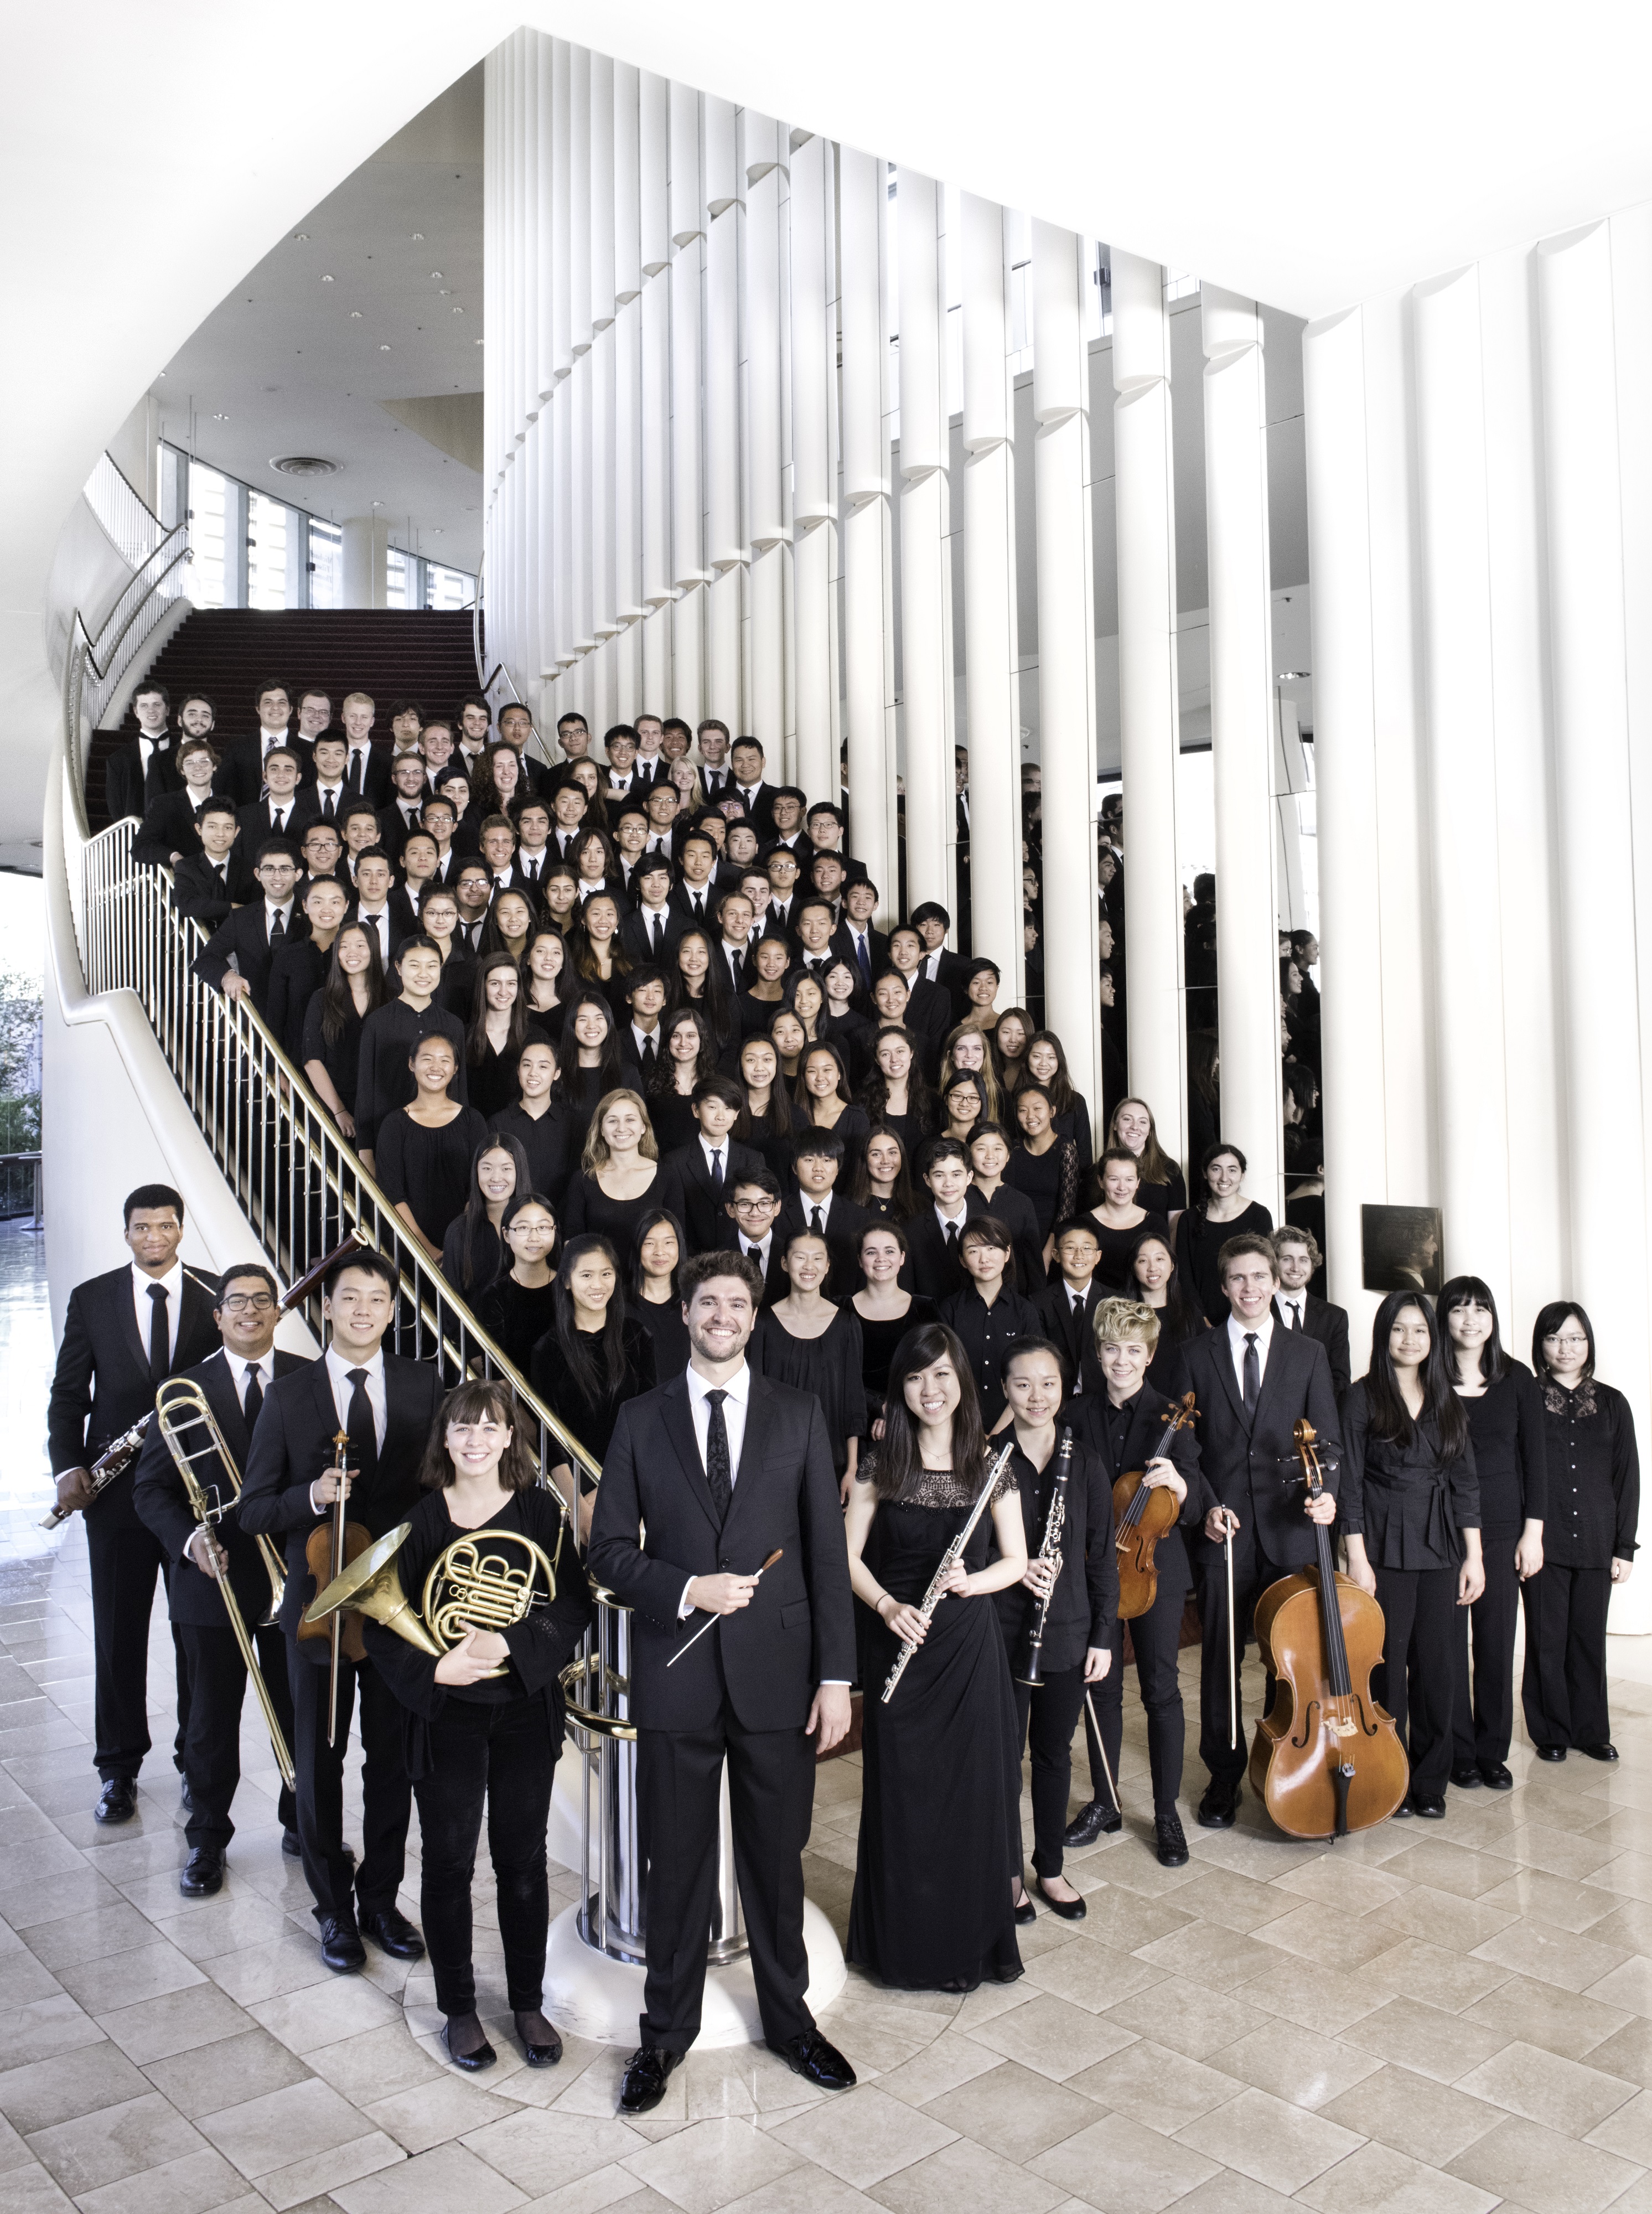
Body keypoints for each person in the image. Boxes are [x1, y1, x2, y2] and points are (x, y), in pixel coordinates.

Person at [588, 1249, 857, 2109]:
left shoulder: (801, 1415)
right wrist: (686, 1588)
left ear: (753, 1317)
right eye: (708, 1302)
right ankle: (662, 2036)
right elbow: (608, 1555)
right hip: (674, 1675)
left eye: (737, 1304)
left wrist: (836, 1679)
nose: (722, 1316)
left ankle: (792, 2023)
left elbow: (823, 1555)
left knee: (776, 1865)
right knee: (676, 1866)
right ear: (687, 1314)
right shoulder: (639, 1418)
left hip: (778, 1675)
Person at [360, 1380, 591, 2070]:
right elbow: (379, 1626)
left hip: (523, 1709)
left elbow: (571, 1603)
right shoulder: (420, 1522)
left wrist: (512, 1646)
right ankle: (459, 2009)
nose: (476, 1441)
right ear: (445, 1439)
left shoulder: (541, 1515)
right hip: (449, 1716)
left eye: (490, 1428)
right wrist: (436, 1670)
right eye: (462, 1428)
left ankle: (526, 2002)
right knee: (450, 1861)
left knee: (522, 1860)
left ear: (510, 1439)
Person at [239, 1250, 443, 1971]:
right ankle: (333, 1910)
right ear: (327, 1307)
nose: (362, 1309)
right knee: (319, 1765)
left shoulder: (424, 1386)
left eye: (376, 1299)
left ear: (393, 1310)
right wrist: (313, 1498)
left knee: (392, 1763)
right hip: (320, 1616)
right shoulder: (290, 1397)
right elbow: (253, 1510)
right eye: (348, 1297)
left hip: (394, 1612)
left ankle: (381, 1901)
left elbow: (443, 1497)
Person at [846, 1322, 1027, 1989]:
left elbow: (1016, 1560)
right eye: (918, 1376)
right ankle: (903, 1947)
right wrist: (887, 1606)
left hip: (967, 1648)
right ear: (902, 1386)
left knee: (968, 1798)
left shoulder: (991, 1464)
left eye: (943, 1374)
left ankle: (967, 1947)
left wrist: (969, 1582)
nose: (931, 1389)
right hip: (901, 1641)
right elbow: (846, 1557)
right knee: (904, 1797)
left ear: (961, 1383)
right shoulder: (881, 1462)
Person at [46, 1186, 222, 1823]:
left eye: (165, 1226)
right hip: (115, 1497)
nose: (154, 1237)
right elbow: (68, 1394)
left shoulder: (216, 1293)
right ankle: (117, 1768)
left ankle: (194, 1762)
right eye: (142, 1228)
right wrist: (68, 1465)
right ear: (126, 1233)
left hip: (194, 1497)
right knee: (118, 1634)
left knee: (195, 1637)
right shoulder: (92, 1298)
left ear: (182, 1230)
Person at [131, 1264, 305, 1892]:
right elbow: (150, 1491)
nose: (251, 1311)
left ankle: (302, 1821)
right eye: (238, 1302)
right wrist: (190, 1538)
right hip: (213, 1583)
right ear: (218, 1315)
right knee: (209, 1719)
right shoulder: (183, 1389)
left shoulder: (306, 1382)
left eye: (263, 1300)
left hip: (294, 1580)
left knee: (301, 1711)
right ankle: (206, 1838)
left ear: (278, 1312)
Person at [1183, 1232, 1342, 1828]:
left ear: (1277, 1280)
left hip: (1290, 1530)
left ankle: (1293, 1763)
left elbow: (1327, 1445)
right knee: (1222, 1659)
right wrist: (1205, 1507)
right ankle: (1223, 1778)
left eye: (1260, 1277)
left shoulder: (1307, 1354)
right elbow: (1186, 1448)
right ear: (1224, 1286)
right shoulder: (1195, 1353)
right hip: (1227, 1532)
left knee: (1294, 1660)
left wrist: (1324, 1495)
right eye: (1238, 1279)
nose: (1250, 1289)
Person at [1067, 1302, 1210, 1864]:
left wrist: (1183, 1483)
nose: (1121, 1360)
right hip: (1091, 1566)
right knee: (1099, 1683)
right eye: (1111, 1348)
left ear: (1149, 1356)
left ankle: (1167, 1811)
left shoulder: (1172, 1417)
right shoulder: (1074, 1415)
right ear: (1098, 1353)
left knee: (1160, 1688)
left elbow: (1196, 1497)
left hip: (1155, 1568)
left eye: (1134, 1350)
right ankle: (1105, 1800)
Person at [1339, 1291, 1485, 1818]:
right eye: (1399, 1329)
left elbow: (1466, 1482)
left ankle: (1430, 1781)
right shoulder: (1361, 1397)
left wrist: (1475, 1557)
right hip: (1382, 1544)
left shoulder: (1447, 1397)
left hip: (1442, 1543)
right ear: (1384, 1335)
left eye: (1420, 1330)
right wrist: (1356, 1556)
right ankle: (1390, 1773)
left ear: (1432, 1337)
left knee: (1439, 1666)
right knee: (1387, 1664)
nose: (1410, 1339)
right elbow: (1348, 1483)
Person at [993, 1336, 1118, 1900]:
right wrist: (1014, 1568)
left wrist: (1103, 1635)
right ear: (1004, 1390)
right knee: (1001, 1758)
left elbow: (1102, 1556)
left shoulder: (1085, 1460)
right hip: (1000, 1628)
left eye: (1047, 1383)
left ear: (1063, 1389)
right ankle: (1008, 1874)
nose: (1036, 1395)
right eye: (1023, 1384)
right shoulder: (986, 1457)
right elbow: (971, 1553)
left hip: (1067, 1630)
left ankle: (1049, 1866)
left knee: (1052, 1754)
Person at [1438, 1276, 1546, 1791]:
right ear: (1445, 1318)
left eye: (1480, 1309)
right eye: (1459, 1309)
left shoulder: (1517, 1379)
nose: (1469, 1319)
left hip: (1504, 1529)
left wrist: (1534, 1533)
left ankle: (1491, 1750)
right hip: (1441, 1528)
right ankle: (1459, 1751)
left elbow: (1536, 1462)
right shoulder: (1428, 1378)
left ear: (1492, 1318)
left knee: (1497, 1643)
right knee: (1449, 1646)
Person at [1521, 1301, 1639, 1763]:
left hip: (1595, 1539)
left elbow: (1626, 1477)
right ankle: (1551, 1731)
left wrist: (1623, 1547)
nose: (1564, 1348)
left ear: (1587, 1343)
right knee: (1545, 1639)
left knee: (1588, 1639)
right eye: (1553, 1338)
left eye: (1573, 1338)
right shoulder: (1525, 1398)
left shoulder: (1612, 1403)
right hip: (1541, 1543)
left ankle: (1591, 1730)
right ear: (1540, 1345)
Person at [529, 1234, 657, 1496]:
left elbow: (649, 1419)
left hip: (632, 1482)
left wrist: (617, 1488)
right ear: (567, 1281)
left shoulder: (637, 1336)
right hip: (574, 1491)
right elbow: (550, 1438)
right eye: (586, 1276)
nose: (598, 1285)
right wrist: (579, 1506)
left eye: (606, 1274)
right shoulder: (547, 1349)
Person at [754, 1231, 867, 1499]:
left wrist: (852, 1469)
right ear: (784, 1263)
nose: (809, 1266)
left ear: (827, 1266)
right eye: (800, 1258)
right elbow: (754, 1397)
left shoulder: (846, 1324)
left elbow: (853, 1400)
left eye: (818, 1258)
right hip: (774, 1460)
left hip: (833, 1460)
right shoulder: (762, 1324)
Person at [353, 936, 467, 1173]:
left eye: (432, 966)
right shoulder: (378, 1022)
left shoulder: (453, 1024)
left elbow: (460, 1089)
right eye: (414, 965)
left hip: (444, 1139)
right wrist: (365, 1152)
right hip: (389, 1140)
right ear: (398, 968)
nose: (423, 974)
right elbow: (365, 1090)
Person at [375, 1034, 490, 1262]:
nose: (436, 1067)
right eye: (427, 1059)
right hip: (409, 1243)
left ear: (456, 1068)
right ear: (412, 1064)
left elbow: (479, 1186)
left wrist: (461, 1243)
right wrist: (428, 1250)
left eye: (445, 1060)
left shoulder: (472, 1120)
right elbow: (392, 1195)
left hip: (466, 1243)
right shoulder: (394, 1124)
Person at [938, 1218, 1041, 1429]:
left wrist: (995, 1435)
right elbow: (941, 1374)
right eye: (974, 1251)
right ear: (963, 1260)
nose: (984, 1258)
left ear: (1007, 1253)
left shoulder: (1025, 1312)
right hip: (957, 1425)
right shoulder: (950, 1309)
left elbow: (1031, 1379)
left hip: (1015, 1426)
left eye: (992, 1248)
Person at [191, 840, 307, 1017]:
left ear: (298, 874)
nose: (277, 877)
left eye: (285, 869)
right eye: (269, 869)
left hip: (302, 1019)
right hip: (256, 1021)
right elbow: (205, 960)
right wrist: (228, 976)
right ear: (258, 874)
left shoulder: (311, 915)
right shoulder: (241, 918)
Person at [658, 1075, 760, 1253]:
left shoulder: (752, 1159)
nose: (720, 1116)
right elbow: (675, 1224)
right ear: (696, 1110)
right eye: (712, 1107)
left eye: (728, 1108)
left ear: (737, 1114)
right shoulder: (674, 1162)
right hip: (693, 1262)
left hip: (741, 1260)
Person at [1177, 1142, 1274, 1326]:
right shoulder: (1188, 1219)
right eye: (1216, 1169)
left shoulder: (1259, 1216)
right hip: (1201, 1322)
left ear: (1242, 1175)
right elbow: (1184, 1277)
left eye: (1232, 1170)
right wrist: (1201, 1319)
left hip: (1249, 1315)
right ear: (1206, 1173)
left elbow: (1266, 1271)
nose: (1224, 1178)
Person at [562, 1088, 663, 1244]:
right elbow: (572, 1245)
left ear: (643, 1126)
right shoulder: (583, 1180)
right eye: (613, 1121)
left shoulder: (667, 1176)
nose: (621, 1128)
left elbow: (676, 1240)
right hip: (597, 1269)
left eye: (630, 1120)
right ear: (602, 1129)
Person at [475, 1192, 560, 1373]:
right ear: (506, 1234)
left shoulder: (569, 1286)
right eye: (523, 1228)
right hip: (513, 1398)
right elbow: (495, 1370)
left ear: (555, 1230)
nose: (534, 1237)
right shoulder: (495, 1296)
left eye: (544, 1227)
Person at [489, 1037, 577, 1204]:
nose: (533, 1073)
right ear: (518, 1070)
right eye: (527, 1065)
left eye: (543, 1066)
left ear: (556, 1073)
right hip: (512, 1218)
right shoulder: (498, 1123)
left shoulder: (572, 1123)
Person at [441, 1134, 531, 1296]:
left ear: (520, 1171)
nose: (496, 1178)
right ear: (476, 1171)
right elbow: (450, 1305)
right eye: (487, 1168)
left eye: (506, 1168)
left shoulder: (538, 1227)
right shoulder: (459, 1231)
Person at [1006, 1083, 1080, 1269]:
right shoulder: (1012, 1150)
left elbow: (1067, 1210)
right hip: (1015, 1239)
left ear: (1052, 1111)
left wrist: (1047, 1256)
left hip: (1052, 1241)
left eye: (1037, 1108)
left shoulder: (1066, 1150)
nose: (1030, 1116)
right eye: (1023, 1110)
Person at [1272, 1227, 1351, 1399]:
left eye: (1303, 1260)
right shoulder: (1257, 1310)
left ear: (1312, 1264)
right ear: (1273, 1263)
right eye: (1287, 1259)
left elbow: (1340, 1382)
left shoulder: (1335, 1318)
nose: (1296, 1268)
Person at [1126, 1229, 1205, 1398]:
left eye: (1160, 1259)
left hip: (1181, 1405)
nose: (1152, 1268)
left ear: (1172, 1265)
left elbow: (1203, 1368)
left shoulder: (1190, 1312)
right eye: (1143, 1261)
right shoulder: (1123, 1314)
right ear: (1133, 1268)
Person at [1035, 1217, 1107, 1399]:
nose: (1079, 1255)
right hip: (1055, 1400)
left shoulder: (1115, 1302)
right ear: (1056, 1255)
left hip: (1102, 1399)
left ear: (1098, 1256)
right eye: (1070, 1248)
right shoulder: (1039, 1303)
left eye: (1087, 1248)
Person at [1086, 1146, 1171, 1292]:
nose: (1122, 1187)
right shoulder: (1085, 1224)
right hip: (1100, 1307)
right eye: (1114, 1179)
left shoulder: (1155, 1223)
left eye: (1129, 1180)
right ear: (1101, 1181)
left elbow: (1164, 1275)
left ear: (1138, 1182)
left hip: (1145, 1307)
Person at [463, 951, 535, 1120]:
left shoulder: (534, 1037)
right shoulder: (463, 1035)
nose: (504, 992)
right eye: (495, 983)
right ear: (484, 986)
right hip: (472, 1130)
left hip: (519, 1133)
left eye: (511, 983)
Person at [631, 1207, 692, 1377]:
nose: (660, 1251)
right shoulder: (620, 1305)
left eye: (668, 1243)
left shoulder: (695, 1302)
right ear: (638, 1246)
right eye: (649, 1243)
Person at [1107, 1099, 1187, 1220]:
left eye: (1143, 1122)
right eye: (1127, 1119)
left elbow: (1175, 1227)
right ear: (1115, 1125)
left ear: (1150, 1130)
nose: (1135, 1127)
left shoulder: (1170, 1169)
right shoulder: (1098, 1171)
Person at [852, 1125, 918, 1221]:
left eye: (892, 1153)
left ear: (902, 1156)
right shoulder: (848, 1205)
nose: (885, 1161)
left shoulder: (921, 1205)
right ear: (865, 1159)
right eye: (876, 1154)